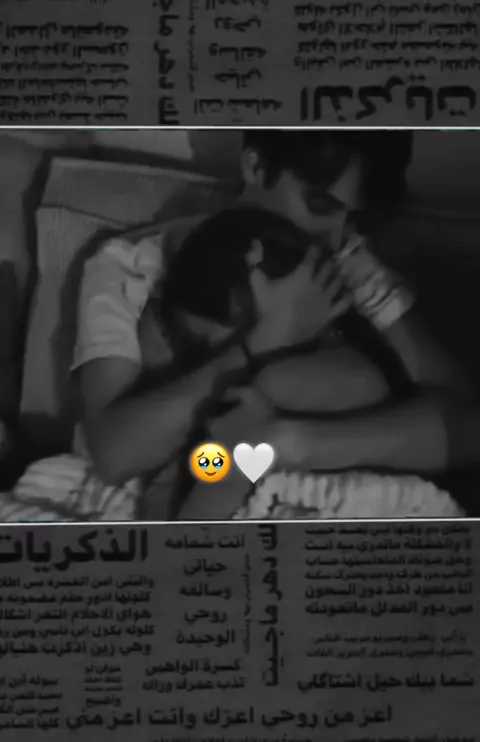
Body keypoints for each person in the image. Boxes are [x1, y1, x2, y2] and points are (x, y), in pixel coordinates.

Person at [73, 129, 475, 520]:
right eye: (320, 204)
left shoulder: (352, 266)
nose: (336, 237)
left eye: (355, 219)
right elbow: (115, 455)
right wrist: (259, 344)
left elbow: (468, 426)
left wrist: (292, 443)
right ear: (256, 165)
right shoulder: (135, 266)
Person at [145, 204, 463, 520]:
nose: (211, 359)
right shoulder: (375, 361)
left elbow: (189, 528)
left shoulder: (277, 384)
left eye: (206, 343)